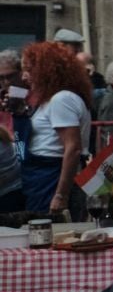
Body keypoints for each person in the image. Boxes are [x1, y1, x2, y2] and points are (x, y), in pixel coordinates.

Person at [19, 41, 92, 219]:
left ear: (46, 70)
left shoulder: (62, 99)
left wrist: (61, 195)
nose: (24, 77)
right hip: (42, 173)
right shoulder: (53, 98)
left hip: (52, 175)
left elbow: (72, 148)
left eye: (29, 69)